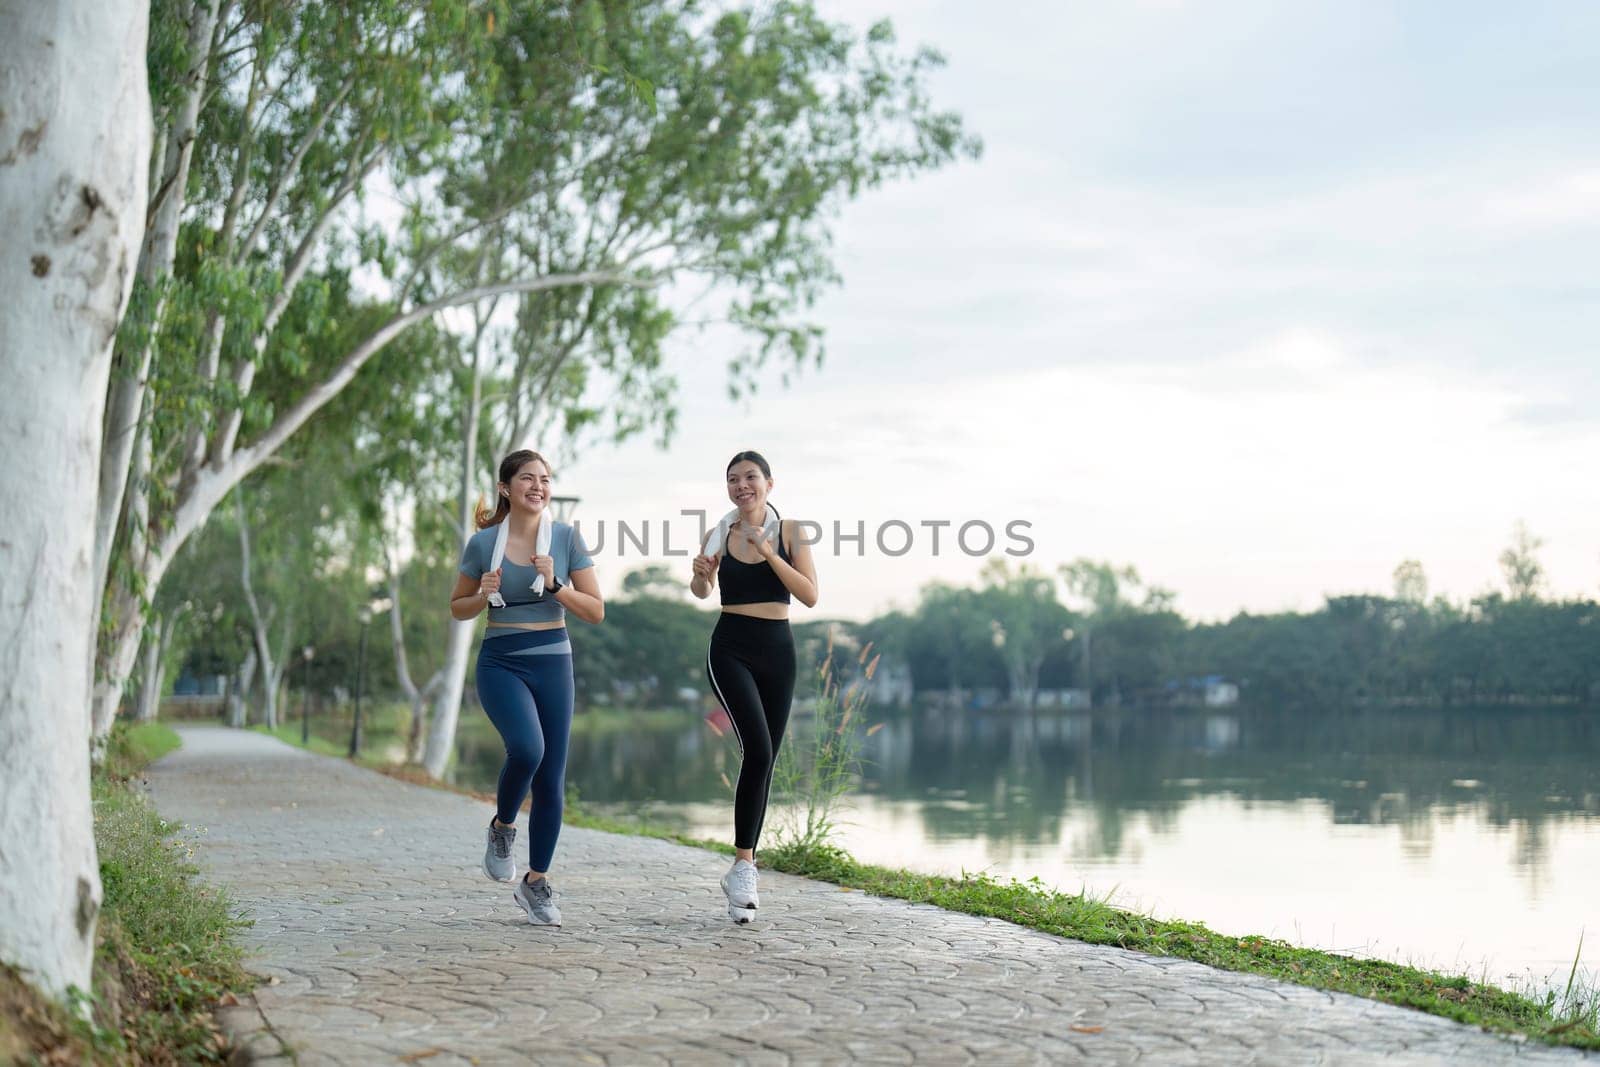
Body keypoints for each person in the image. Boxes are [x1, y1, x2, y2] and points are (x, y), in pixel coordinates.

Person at [451, 449, 603, 927]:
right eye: (527, 478)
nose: (538, 486)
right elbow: (457, 608)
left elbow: (595, 610)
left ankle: (535, 882)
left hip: (554, 661)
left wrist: (555, 584)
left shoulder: (565, 538)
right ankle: (502, 826)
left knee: (551, 778)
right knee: (527, 748)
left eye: (545, 479)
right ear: (505, 488)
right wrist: (482, 592)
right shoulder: (482, 544)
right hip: (501, 661)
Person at [691, 450, 818, 923]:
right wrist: (700, 577)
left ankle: (741, 871)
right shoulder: (719, 531)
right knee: (759, 753)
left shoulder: (791, 532)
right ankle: (745, 866)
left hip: (778, 650)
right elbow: (702, 592)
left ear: (769, 482)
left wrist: (768, 555)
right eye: (732, 479)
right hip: (730, 647)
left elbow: (808, 594)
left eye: (750, 477)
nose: (741, 485)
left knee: (765, 759)